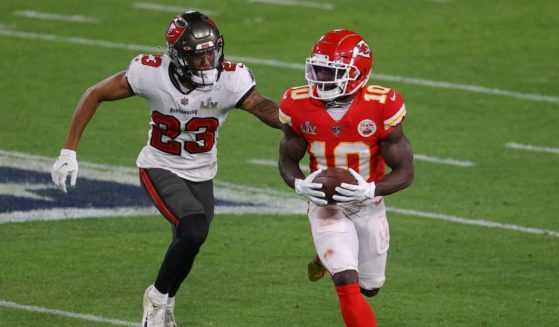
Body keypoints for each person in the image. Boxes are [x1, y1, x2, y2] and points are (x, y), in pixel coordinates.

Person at [50, 11, 281, 327]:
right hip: (159, 166)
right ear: (178, 57)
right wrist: (69, 149)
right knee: (194, 228)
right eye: (199, 56)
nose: (208, 61)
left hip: (202, 171)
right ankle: (156, 299)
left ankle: (167, 304)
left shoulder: (231, 79)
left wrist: (303, 127)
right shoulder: (150, 74)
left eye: (212, 52)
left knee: (190, 241)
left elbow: (263, 107)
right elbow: (95, 94)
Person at [278, 29, 414, 326]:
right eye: (318, 69)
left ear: (358, 73)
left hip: (368, 201)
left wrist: (367, 190)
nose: (321, 78)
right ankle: (334, 261)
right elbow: (287, 159)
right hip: (325, 204)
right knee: (347, 281)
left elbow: (405, 172)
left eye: (331, 71)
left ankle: (322, 260)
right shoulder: (297, 103)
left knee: (371, 287)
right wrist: (301, 184)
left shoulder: (382, 105)